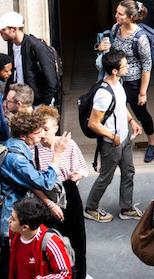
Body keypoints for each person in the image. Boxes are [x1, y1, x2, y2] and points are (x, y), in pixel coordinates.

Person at [0, 109, 68, 279]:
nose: (41, 136)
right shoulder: (17, 160)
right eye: (37, 133)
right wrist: (57, 154)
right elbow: (45, 182)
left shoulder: (12, 145)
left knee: (9, 256)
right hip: (8, 215)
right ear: (23, 136)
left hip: (8, 212)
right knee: (8, 258)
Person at [84, 50, 144, 223]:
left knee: (128, 172)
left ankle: (127, 208)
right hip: (112, 143)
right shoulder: (103, 94)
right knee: (106, 177)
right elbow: (93, 123)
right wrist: (112, 136)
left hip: (124, 138)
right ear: (115, 70)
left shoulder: (118, 84)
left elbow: (120, 106)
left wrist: (132, 121)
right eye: (125, 65)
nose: (128, 67)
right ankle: (91, 208)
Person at [96, 0, 154, 163]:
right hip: (116, 79)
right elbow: (111, 52)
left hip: (133, 81)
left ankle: (152, 143)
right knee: (115, 109)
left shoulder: (140, 38)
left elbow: (146, 65)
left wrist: (142, 92)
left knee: (141, 113)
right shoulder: (116, 28)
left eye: (120, 14)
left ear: (130, 17)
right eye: (116, 12)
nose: (116, 16)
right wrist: (101, 48)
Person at [34, 105, 90, 279]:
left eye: (46, 129)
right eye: (39, 129)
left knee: (77, 237)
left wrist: (77, 174)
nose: (42, 133)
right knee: (52, 238)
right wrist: (50, 204)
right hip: (46, 194)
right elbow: (33, 183)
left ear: (56, 128)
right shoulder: (33, 149)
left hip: (69, 191)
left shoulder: (69, 144)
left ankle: (79, 273)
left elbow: (82, 168)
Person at [0, 11, 61, 109]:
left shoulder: (36, 46)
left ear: (14, 29)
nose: (0, 32)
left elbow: (51, 80)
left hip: (37, 104)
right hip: (20, 103)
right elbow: (13, 74)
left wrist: (44, 106)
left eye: (3, 29)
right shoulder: (12, 46)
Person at [7, 196, 72, 279]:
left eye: (13, 219)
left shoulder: (51, 243)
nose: (8, 220)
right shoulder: (14, 233)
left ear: (25, 227)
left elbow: (65, 274)